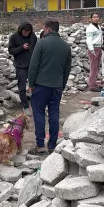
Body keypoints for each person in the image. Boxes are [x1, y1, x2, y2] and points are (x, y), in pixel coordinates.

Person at [28, 20, 72, 155]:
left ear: (47, 29)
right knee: (54, 114)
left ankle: (40, 145)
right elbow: (67, 69)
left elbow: (34, 65)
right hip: (57, 86)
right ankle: (52, 145)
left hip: (41, 85)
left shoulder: (41, 43)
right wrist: (62, 85)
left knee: (39, 113)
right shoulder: (66, 46)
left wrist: (31, 84)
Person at [8, 22, 37, 116]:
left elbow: (36, 49)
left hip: (32, 65)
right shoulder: (14, 37)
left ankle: (35, 105)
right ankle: (25, 106)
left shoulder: (33, 36)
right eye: (25, 32)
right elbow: (11, 51)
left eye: (28, 32)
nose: (26, 34)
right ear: (21, 30)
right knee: (22, 87)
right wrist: (22, 47)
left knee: (35, 86)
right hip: (20, 65)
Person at [86, 13, 103, 92]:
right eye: (94, 17)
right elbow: (88, 40)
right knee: (93, 67)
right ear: (91, 19)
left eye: (97, 17)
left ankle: (95, 83)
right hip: (94, 48)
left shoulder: (98, 27)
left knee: (96, 67)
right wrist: (92, 50)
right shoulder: (90, 28)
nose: (96, 18)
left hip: (99, 47)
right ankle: (92, 85)